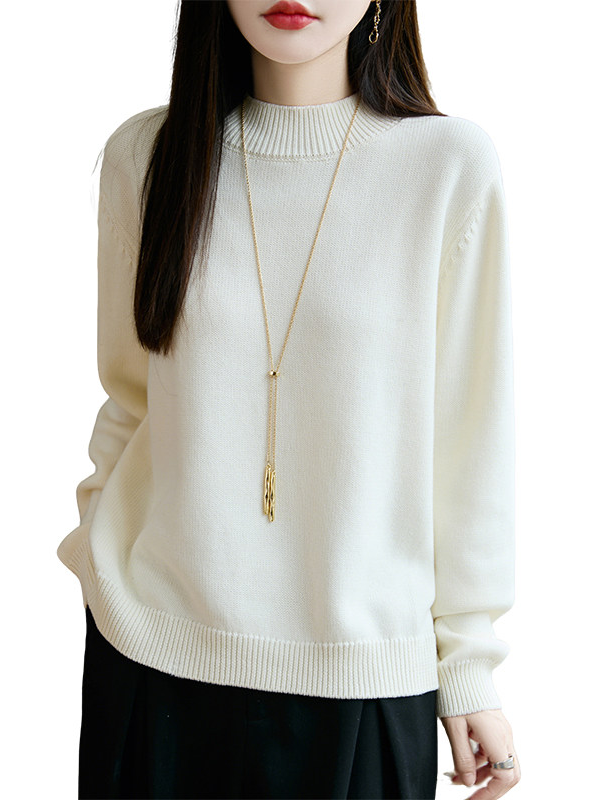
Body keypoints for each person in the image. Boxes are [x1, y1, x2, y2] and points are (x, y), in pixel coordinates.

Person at [56, 1, 522, 798]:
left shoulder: (447, 168)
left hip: (364, 676)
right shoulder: (148, 156)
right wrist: (98, 560)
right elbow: (131, 397)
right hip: (152, 659)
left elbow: (470, 437)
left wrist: (467, 664)